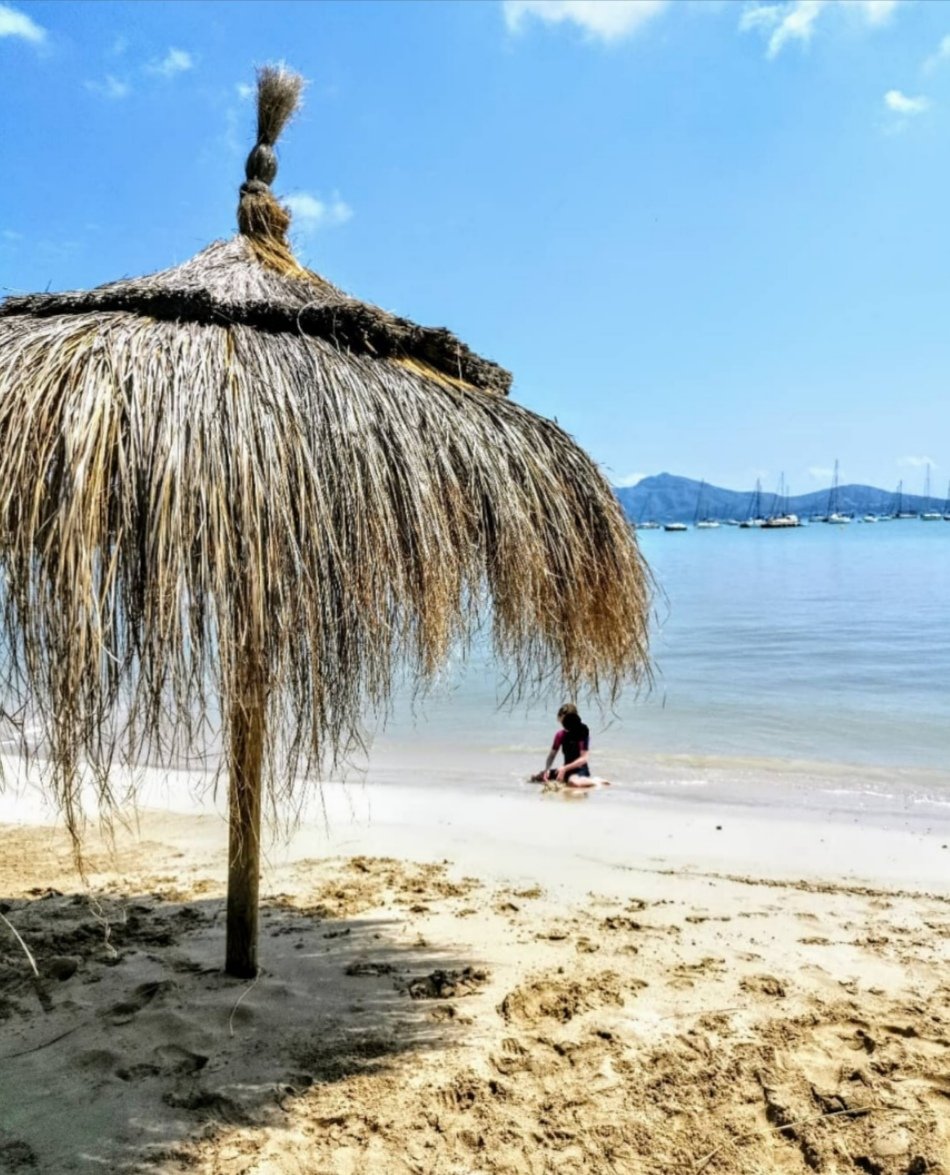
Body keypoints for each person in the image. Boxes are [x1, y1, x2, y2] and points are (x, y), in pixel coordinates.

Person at [531, 703, 593, 786]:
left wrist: (564, 768)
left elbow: (584, 759)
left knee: (573, 782)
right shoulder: (560, 735)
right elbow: (551, 756)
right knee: (537, 778)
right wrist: (547, 770)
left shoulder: (582, 733)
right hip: (565, 769)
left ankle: (597, 781)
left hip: (580, 770)